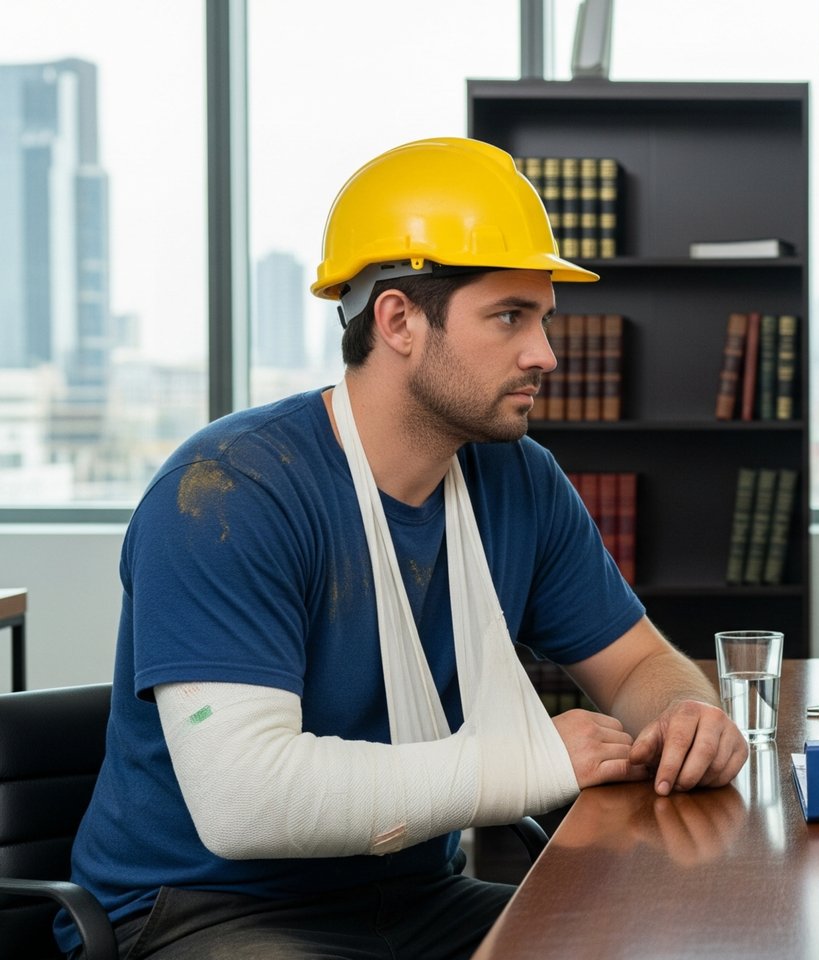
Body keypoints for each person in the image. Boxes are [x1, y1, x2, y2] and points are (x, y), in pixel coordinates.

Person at [57, 137, 749, 959]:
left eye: (543, 320)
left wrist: (684, 713)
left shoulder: (518, 481)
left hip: (413, 897)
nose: (546, 355)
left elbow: (634, 666)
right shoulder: (226, 491)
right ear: (399, 321)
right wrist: (523, 764)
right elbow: (245, 800)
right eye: (509, 317)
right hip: (203, 912)